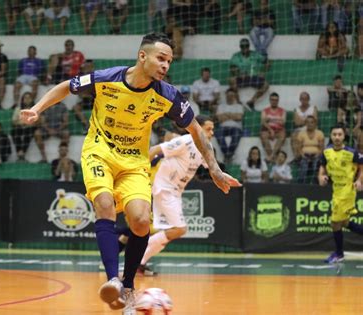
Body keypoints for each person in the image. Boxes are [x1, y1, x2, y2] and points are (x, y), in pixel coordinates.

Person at [19, 32, 240, 314]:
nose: (165, 66)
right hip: (99, 151)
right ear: (142, 56)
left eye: (169, 61)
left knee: (140, 222)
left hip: (135, 161)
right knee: (104, 204)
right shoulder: (107, 78)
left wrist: (216, 169)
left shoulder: (167, 95)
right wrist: (37, 109)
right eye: (161, 58)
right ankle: (113, 280)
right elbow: (66, 86)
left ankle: (128, 285)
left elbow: (196, 129)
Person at [138, 115, 217, 275]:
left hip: (175, 192)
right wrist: (138, 171)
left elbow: (212, 168)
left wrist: (224, 178)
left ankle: (139, 262)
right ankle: (136, 259)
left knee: (167, 231)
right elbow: (154, 150)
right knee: (179, 229)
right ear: (198, 128)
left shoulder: (205, 147)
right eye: (208, 129)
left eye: (213, 129)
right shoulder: (186, 141)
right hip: (164, 188)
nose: (212, 133)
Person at [318, 124, 363, 264]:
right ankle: (339, 253)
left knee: (334, 222)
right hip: (336, 190)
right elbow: (322, 167)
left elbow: (361, 167)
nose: (337, 137)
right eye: (334, 135)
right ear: (331, 136)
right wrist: (321, 176)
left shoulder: (352, 152)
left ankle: (339, 254)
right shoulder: (326, 152)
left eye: (340, 135)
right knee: (344, 222)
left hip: (347, 191)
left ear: (344, 136)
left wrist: (359, 180)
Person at [229, 38, 269, 109]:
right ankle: (238, 102)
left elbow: (267, 62)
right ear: (240, 47)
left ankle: (251, 101)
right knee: (231, 80)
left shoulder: (255, 54)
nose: (245, 48)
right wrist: (238, 74)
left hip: (254, 77)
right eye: (243, 46)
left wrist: (263, 72)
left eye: (246, 46)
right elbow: (232, 68)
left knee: (266, 85)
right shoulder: (236, 56)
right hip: (242, 78)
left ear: (249, 46)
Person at [215, 89, 244, 163]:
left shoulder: (239, 106)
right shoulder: (221, 106)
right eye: (228, 95)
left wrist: (226, 114)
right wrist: (233, 115)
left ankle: (228, 155)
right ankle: (228, 155)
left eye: (232, 95)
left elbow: (239, 117)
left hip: (236, 128)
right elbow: (220, 119)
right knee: (218, 134)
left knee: (236, 135)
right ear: (226, 95)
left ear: (234, 96)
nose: (230, 97)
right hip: (223, 128)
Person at [296, 116, 325, 184]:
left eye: (312, 122)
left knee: (316, 167)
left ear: (315, 124)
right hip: (304, 156)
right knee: (303, 168)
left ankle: (316, 185)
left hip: (316, 156)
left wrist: (317, 155)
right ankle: (300, 186)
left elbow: (321, 148)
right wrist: (303, 155)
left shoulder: (320, 133)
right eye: (308, 122)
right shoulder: (301, 133)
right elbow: (299, 147)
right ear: (305, 123)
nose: (310, 124)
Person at [290, 91, 318, 160]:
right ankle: (297, 157)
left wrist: (303, 121)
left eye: (306, 99)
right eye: (302, 99)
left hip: (311, 128)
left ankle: (309, 157)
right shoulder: (296, 109)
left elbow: (314, 121)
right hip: (299, 129)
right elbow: (297, 122)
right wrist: (308, 120)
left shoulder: (313, 108)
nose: (304, 101)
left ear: (308, 99)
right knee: (294, 136)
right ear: (300, 99)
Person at [260, 92, 286, 163]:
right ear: (270, 100)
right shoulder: (265, 110)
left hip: (279, 130)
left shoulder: (282, 111)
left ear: (278, 101)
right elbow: (263, 122)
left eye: (276, 100)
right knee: (263, 135)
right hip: (267, 129)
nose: (274, 101)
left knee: (282, 135)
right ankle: (272, 157)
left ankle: (271, 156)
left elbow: (283, 122)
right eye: (272, 100)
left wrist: (270, 119)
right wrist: (271, 129)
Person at [12, 92, 36, 161]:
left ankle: (22, 152)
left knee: (28, 132)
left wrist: (27, 123)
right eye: (25, 98)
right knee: (14, 132)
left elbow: (37, 122)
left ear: (32, 99)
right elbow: (13, 121)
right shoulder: (18, 109)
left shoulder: (35, 109)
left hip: (30, 128)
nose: (27, 99)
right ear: (22, 100)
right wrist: (22, 123)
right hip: (20, 127)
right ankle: (20, 152)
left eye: (29, 98)